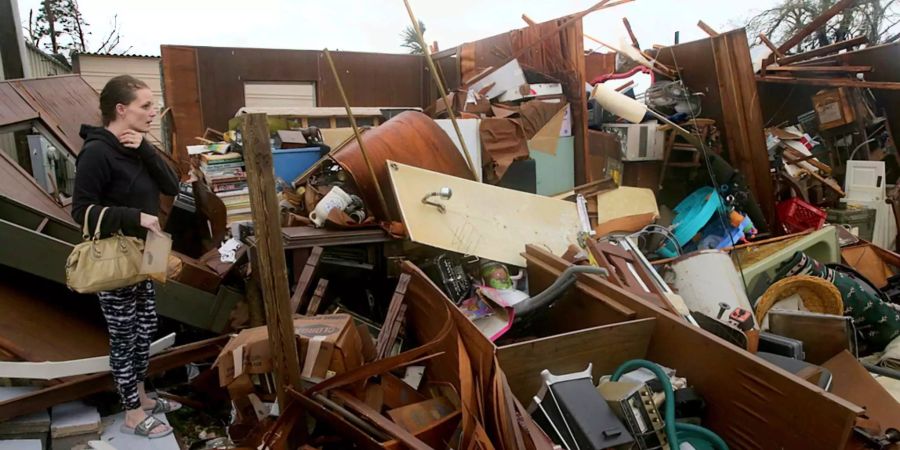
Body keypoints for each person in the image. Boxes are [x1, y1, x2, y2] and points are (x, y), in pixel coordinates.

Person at [72, 75, 181, 439]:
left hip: (145, 255)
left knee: (145, 328)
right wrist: (134, 217)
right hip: (117, 258)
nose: (153, 113)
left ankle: (142, 396)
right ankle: (132, 413)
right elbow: (81, 211)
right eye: (145, 106)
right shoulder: (96, 152)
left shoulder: (134, 146)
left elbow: (172, 185)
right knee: (124, 336)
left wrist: (146, 148)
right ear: (121, 109)